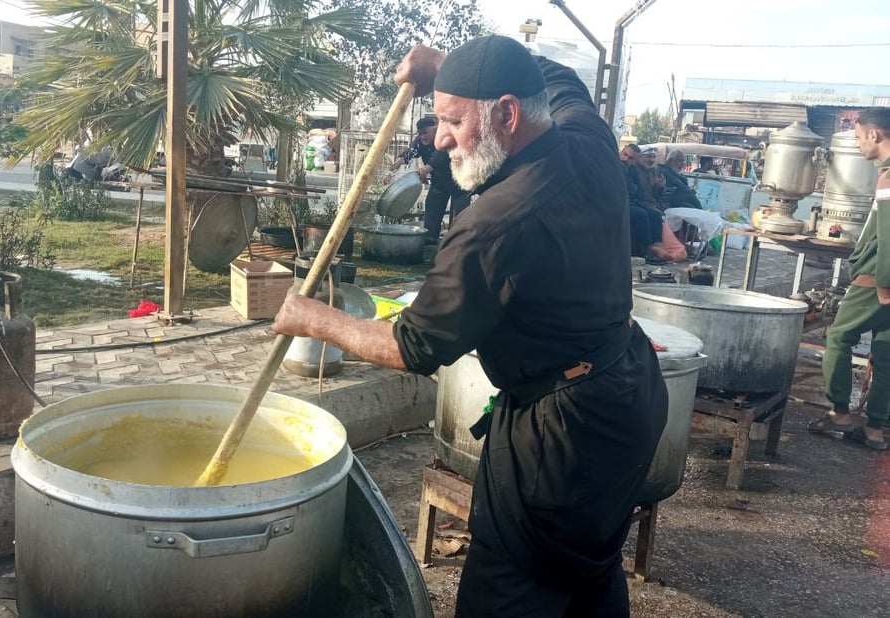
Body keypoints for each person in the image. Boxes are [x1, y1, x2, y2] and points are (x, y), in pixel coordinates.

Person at [274, 36, 668, 615]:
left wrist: (312, 317)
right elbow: (554, 78)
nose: (439, 139)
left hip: (560, 434)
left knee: (510, 583)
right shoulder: (586, 139)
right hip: (628, 391)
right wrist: (441, 67)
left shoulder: (496, 222)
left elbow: (413, 345)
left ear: (508, 114)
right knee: (589, 567)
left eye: (452, 120)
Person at [813, 107, 890, 451]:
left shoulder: (888, 176)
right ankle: (875, 429)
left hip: (877, 277)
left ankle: (840, 413)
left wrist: (884, 281)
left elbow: (888, 236)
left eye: (859, 137)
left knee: (840, 337)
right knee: (886, 352)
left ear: (875, 135)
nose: (858, 144)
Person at [390, 117, 471, 244]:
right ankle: (430, 238)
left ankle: (460, 242)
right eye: (420, 133)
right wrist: (396, 164)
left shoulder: (446, 136)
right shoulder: (420, 141)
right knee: (432, 207)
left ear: (435, 129)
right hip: (439, 180)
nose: (422, 136)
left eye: (425, 133)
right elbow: (410, 151)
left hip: (460, 180)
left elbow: (441, 155)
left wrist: (427, 168)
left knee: (461, 212)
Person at [622, 143, 668, 261]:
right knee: (641, 214)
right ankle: (648, 249)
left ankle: (657, 246)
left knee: (655, 214)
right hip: (621, 202)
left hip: (636, 202)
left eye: (631, 158)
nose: (626, 159)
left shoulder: (649, 171)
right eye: (625, 155)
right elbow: (632, 189)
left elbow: (640, 191)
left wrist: (659, 186)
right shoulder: (620, 166)